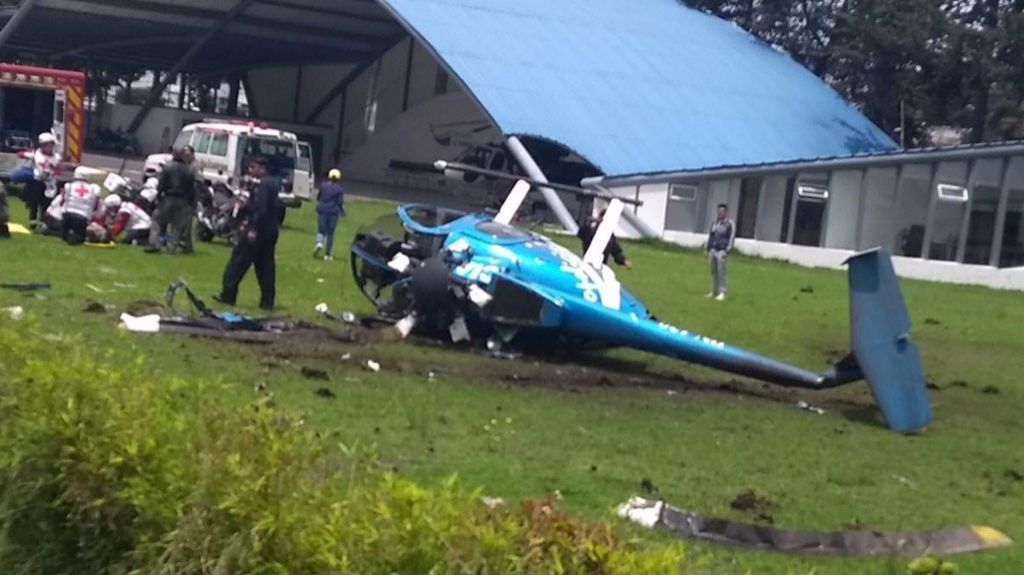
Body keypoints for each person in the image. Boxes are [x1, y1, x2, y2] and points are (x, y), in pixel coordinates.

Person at [215, 155, 281, 311]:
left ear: (262, 169)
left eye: (254, 167)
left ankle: (228, 294)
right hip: (270, 230)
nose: (251, 171)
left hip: (257, 230)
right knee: (265, 266)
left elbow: (261, 209)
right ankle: (267, 301)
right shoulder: (273, 184)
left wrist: (252, 228)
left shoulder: (263, 185)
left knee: (238, 261)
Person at [147, 145, 196, 254]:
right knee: (177, 226)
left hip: (168, 197)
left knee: (157, 219)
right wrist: (191, 203)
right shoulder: (188, 170)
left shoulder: (167, 167)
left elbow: (161, 184)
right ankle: (172, 247)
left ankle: (154, 243)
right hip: (183, 200)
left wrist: (159, 196)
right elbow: (191, 188)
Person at [25, 132, 62, 223]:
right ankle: (32, 219)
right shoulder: (36, 153)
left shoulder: (57, 157)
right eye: (47, 145)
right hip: (38, 181)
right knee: (34, 201)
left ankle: (42, 221)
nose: (49, 147)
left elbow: (58, 169)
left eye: (51, 145)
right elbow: (20, 154)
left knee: (46, 203)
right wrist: (26, 155)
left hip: (50, 183)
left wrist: (55, 171)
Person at [59, 167, 101, 245]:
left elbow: (62, 202)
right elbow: (95, 206)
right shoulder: (94, 189)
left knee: (64, 236)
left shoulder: (69, 186)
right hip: (82, 217)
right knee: (80, 238)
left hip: (67, 215)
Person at [706, 203, 736, 301]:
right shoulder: (714, 223)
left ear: (725, 212)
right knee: (713, 272)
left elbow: (732, 236)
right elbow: (711, 235)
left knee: (721, 272)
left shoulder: (729, 224)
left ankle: (723, 292)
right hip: (713, 249)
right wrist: (707, 247)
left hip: (722, 250)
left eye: (722, 211)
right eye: (719, 211)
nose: (720, 213)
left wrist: (728, 248)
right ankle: (714, 291)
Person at [314, 168, 345, 261]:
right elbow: (340, 202)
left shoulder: (323, 186)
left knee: (321, 229)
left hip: (322, 210)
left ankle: (319, 242)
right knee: (330, 233)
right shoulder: (339, 189)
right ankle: (327, 255)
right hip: (333, 212)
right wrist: (342, 211)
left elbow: (318, 197)